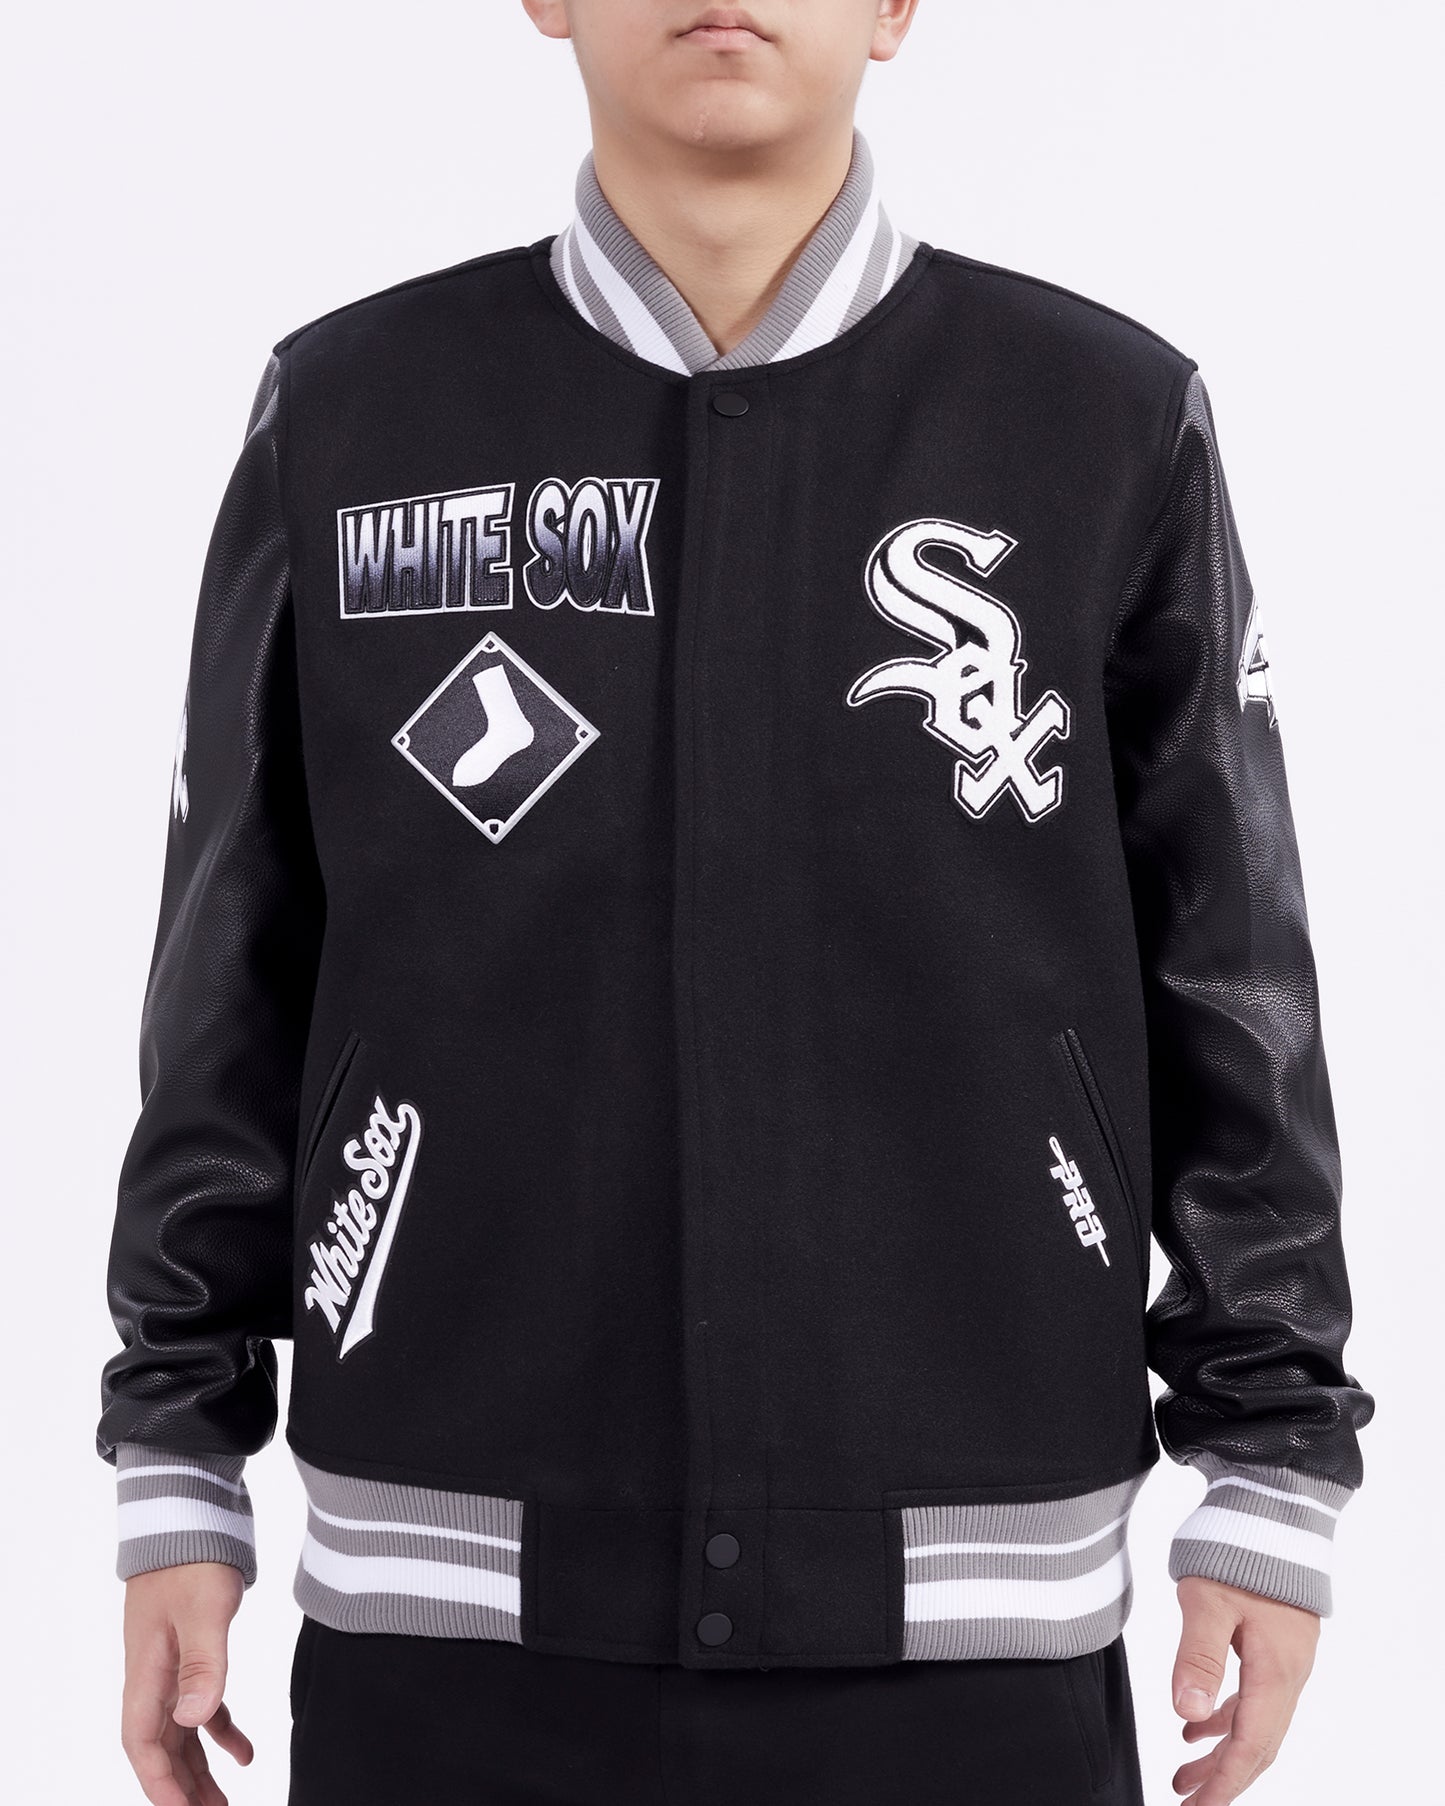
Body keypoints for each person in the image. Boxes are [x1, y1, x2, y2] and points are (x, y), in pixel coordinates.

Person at [98, 4, 1374, 1803]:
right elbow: (232, 958)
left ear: (896, 7)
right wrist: (177, 1451)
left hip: (972, 1599)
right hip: (445, 1598)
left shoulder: (1094, 418)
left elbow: (1230, 967)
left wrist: (1270, 1460)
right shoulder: (354, 414)